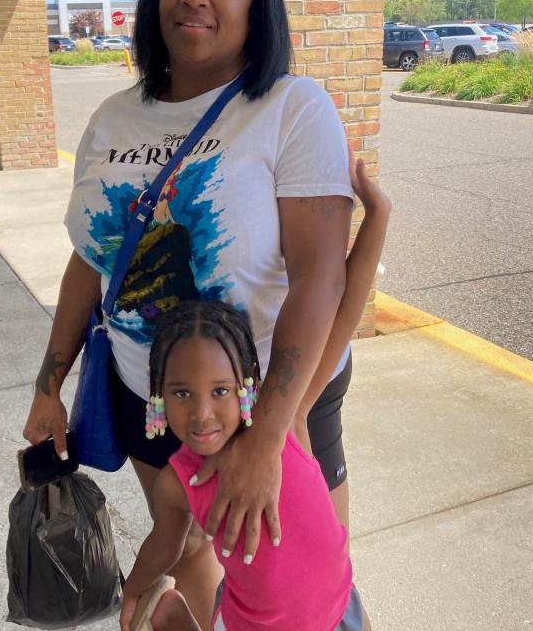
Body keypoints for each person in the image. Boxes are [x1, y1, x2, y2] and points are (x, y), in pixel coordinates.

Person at [25, 0, 363, 625]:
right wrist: (48, 384)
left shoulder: (290, 109)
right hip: (152, 394)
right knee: (191, 545)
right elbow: (91, 261)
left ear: (255, 5)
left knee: (299, 587)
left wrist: (268, 434)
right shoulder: (114, 119)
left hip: (270, 396)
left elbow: (321, 277)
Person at [120, 159, 389, 631]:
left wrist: (378, 214)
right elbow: (168, 546)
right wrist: (134, 590)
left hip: (342, 612)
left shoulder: (290, 423)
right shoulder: (179, 481)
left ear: (246, 386)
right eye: (182, 393)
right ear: (158, 395)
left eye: (220, 390)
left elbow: (343, 314)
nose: (202, 413)